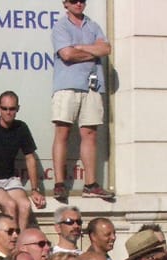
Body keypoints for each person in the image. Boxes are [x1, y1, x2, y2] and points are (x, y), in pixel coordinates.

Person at [50, 0, 113, 201]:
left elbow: (105, 49)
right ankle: (59, 183)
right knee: (63, 131)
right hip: (67, 85)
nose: (78, 3)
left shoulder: (93, 25)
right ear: (65, 4)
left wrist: (81, 48)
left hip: (92, 85)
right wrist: (92, 51)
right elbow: (66, 54)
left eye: (82, 0)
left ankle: (91, 183)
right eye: (73, 0)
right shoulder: (61, 26)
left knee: (90, 133)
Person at [0, 91, 45, 229]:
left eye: (12, 109)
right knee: (10, 205)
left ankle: (21, 245)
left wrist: (35, 189)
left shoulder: (21, 127)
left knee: (25, 205)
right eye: (4, 108)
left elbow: (30, 158)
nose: (8, 112)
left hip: (10, 179)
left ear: (17, 109)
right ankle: (11, 243)